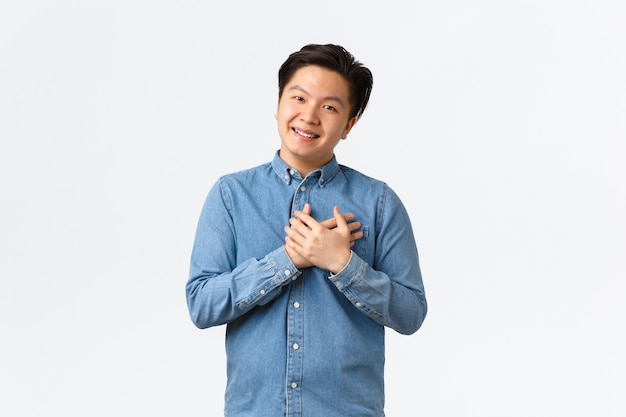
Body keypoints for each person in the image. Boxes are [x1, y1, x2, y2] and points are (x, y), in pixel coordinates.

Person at [186, 43, 427, 417]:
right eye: (299, 98)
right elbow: (201, 304)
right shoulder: (231, 195)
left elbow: (411, 313)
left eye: (329, 107)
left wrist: (344, 264)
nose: (310, 116)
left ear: (348, 125)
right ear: (279, 104)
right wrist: (287, 260)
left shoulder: (379, 202)